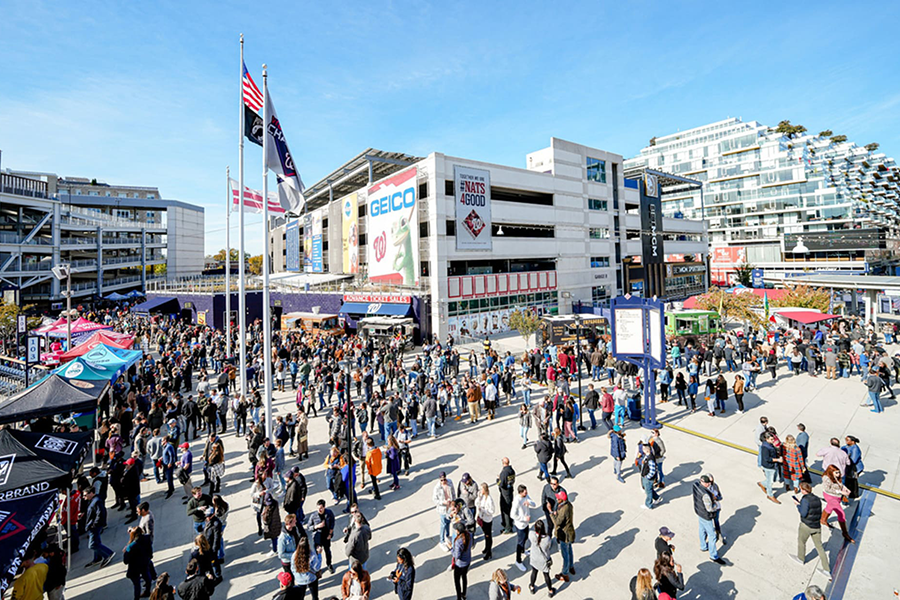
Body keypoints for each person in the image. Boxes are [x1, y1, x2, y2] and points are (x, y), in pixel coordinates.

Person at [791, 482, 832, 580]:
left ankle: (801, 558)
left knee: (801, 542)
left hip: (806, 526)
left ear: (804, 490)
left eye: (801, 489)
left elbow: (803, 513)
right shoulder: (817, 499)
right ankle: (826, 569)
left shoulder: (805, 500)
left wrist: (797, 505)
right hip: (816, 526)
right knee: (819, 547)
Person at [692, 475, 727, 565]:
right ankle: (713, 555)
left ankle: (703, 546)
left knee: (701, 529)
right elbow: (710, 508)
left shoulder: (696, 485)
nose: (709, 484)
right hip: (706, 515)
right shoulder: (706, 495)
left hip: (699, 511)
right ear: (706, 483)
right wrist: (715, 503)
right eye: (708, 483)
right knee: (712, 536)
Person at [821, 465, 855, 544]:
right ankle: (845, 533)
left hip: (836, 497)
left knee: (829, 508)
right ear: (831, 472)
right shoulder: (826, 478)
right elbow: (827, 488)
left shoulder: (835, 477)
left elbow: (839, 485)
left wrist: (845, 488)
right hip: (831, 497)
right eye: (836, 472)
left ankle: (823, 520)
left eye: (839, 472)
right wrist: (840, 492)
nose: (839, 474)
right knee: (841, 514)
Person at [83, 487, 116, 568]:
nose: (84, 497)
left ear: (91, 493)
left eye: (85, 495)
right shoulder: (92, 501)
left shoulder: (97, 501)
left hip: (94, 526)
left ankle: (108, 554)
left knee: (92, 544)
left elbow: (100, 513)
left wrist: (95, 524)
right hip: (93, 525)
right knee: (96, 541)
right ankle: (97, 558)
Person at [511, 484, 538, 572]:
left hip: (526, 524)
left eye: (526, 492)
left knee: (526, 537)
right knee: (520, 542)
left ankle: (523, 551)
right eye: (525, 492)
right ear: (520, 492)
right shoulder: (517, 501)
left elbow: (534, 504)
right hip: (520, 525)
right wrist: (523, 519)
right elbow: (512, 515)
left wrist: (529, 502)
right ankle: (518, 561)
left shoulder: (526, 496)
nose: (526, 493)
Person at [550, 490, 575, 582]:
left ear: (561, 499)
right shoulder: (569, 505)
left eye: (558, 498)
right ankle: (571, 567)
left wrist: (552, 514)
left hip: (564, 535)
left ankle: (565, 574)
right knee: (570, 551)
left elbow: (557, 522)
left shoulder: (563, 509)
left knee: (565, 555)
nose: (557, 498)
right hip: (570, 533)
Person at [124, 526, 154, 600]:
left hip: (134, 567)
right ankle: (147, 591)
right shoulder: (147, 538)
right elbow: (150, 550)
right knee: (147, 577)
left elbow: (126, 561)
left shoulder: (130, 547)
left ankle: (136, 598)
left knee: (137, 584)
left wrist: (125, 552)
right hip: (145, 562)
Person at [307, 499, 336, 574]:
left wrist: (330, 533)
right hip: (317, 537)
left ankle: (329, 564)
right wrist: (316, 526)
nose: (319, 510)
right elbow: (308, 527)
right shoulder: (313, 516)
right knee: (317, 553)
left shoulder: (329, 513)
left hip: (326, 536)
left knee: (328, 551)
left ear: (324, 507)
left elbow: (332, 522)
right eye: (318, 508)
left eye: (321, 508)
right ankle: (317, 568)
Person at [291, 534, 321, 600]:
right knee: (315, 597)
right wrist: (319, 555)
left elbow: (292, 568)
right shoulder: (312, 554)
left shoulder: (294, 555)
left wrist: (296, 576)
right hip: (311, 578)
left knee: (301, 597)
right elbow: (317, 568)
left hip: (300, 579)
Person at [433, 472, 456, 550]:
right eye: (442, 480)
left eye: (444, 479)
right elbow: (434, 499)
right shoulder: (437, 487)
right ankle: (442, 541)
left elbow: (453, 492)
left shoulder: (450, 482)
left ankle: (447, 536)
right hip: (442, 508)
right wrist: (443, 502)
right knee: (443, 524)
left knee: (448, 522)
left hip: (450, 507)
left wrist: (453, 502)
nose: (443, 481)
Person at [450, 522, 472, 600]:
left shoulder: (458, 542)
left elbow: (457, 556)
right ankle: (464, 594)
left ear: (458, 531)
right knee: (464, 577)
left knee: (457, 581)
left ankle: (459, 597)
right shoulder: (469, 535)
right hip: (467, 561)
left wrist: (451, 549)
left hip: (459, 564)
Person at [475, 482, 496, 560]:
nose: (480, 490)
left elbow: (492, 511)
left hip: (487, 520)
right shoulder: (482, 497)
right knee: (485, 535)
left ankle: (489, 551)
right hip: (482, 518)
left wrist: (484, 510)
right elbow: (476, 503)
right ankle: (486, 548)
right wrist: (478, 497)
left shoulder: (489, 500)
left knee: (488, 536)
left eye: (481, 489)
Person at [496, 458, 516, 534]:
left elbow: (501, 484)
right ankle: (509, 522)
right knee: (509, 508)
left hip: (505, 494)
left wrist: (498, 479)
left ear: (503, 463)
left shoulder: (504, 473)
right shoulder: (512, 470)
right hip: (510, 492)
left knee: (505, 511)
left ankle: (508, 527)